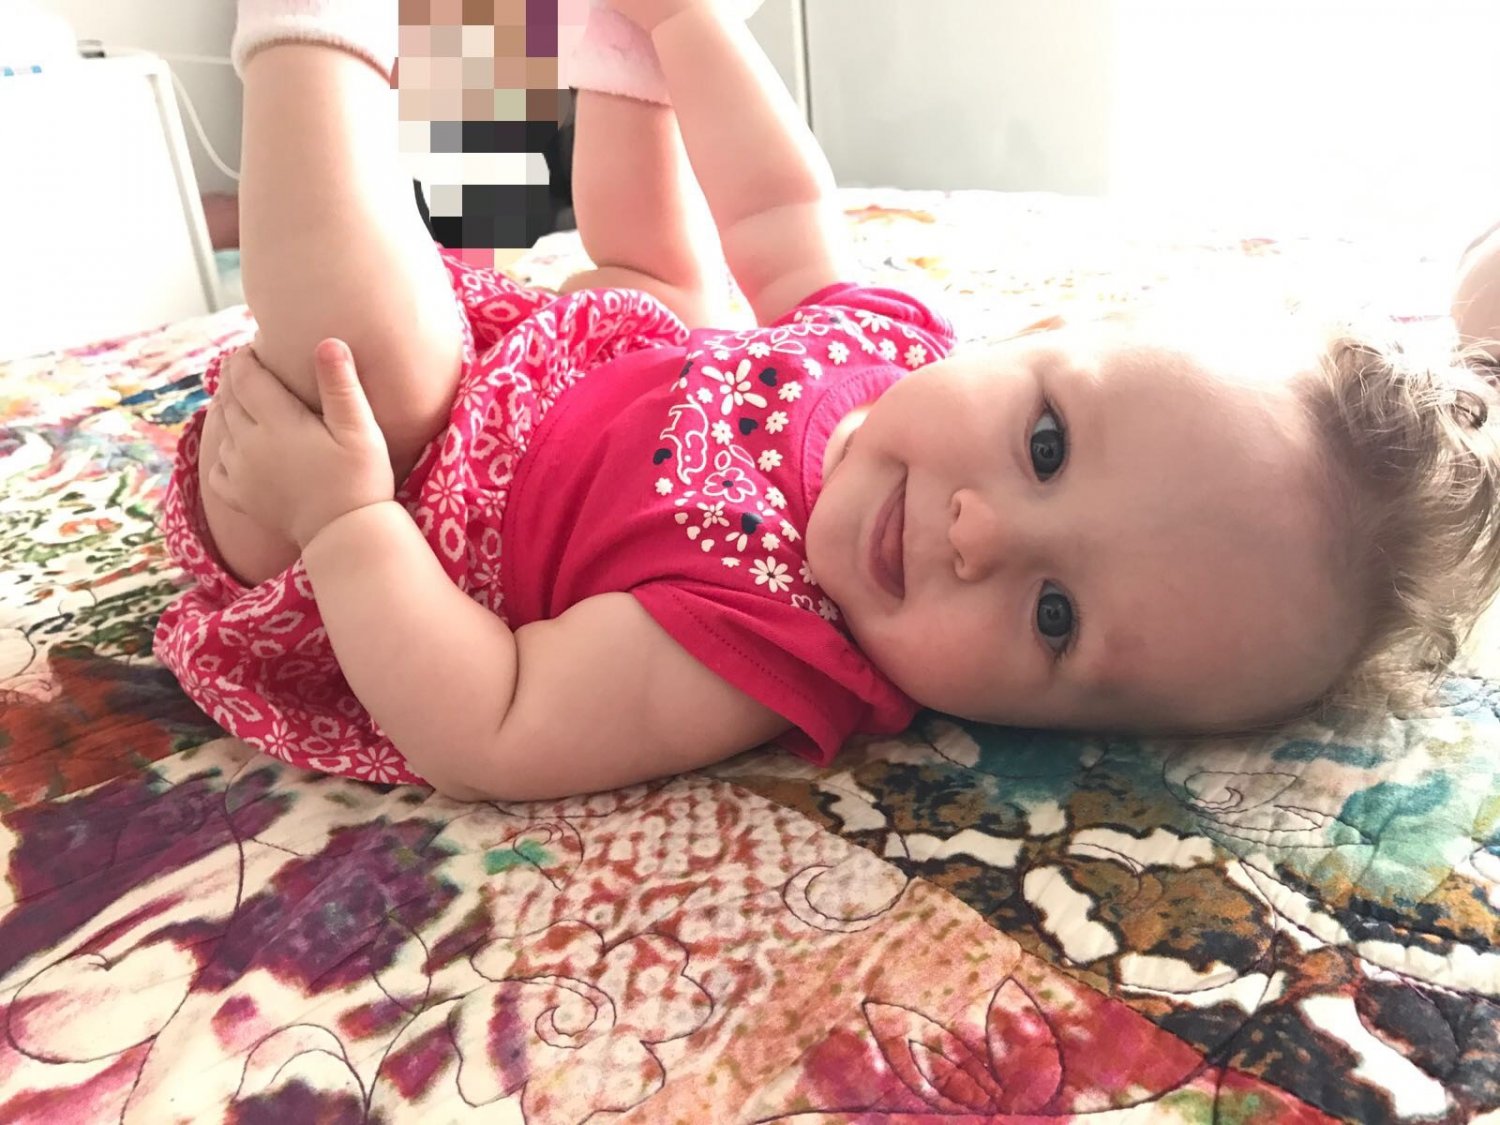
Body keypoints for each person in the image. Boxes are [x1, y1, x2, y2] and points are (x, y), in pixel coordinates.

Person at [153, 0, 1500, 801]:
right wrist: (690, 33)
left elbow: (494, 715)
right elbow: (785, 208)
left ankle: (307, 48)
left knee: (384, 354)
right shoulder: (886, 349)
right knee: (675, 281)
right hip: (559, 358)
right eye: (1045, 442)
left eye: (1052, 614)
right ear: (1030, 336)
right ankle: (611, 47)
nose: (981, 533)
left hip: (371, 502)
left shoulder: (768, 646)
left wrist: (344, 526)